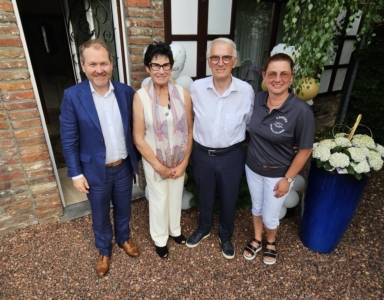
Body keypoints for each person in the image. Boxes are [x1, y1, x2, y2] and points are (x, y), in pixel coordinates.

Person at [60, 39, 140, 277]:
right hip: (95, 171)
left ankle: (123, 238)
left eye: (103, 63)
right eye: (93, 64)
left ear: (111, 64)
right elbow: (69, 138)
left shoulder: (126, 92)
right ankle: (104, 250)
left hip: (124, 166)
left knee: (125, 208)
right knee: (100, 214)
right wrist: (75, 173)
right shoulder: (73, 96)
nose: (99, 69)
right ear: (83, 66)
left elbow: (134, 129)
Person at [243, 53, 315, 265]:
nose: (278, 79)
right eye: (272, 74)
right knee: (256, 207)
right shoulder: (256, 100)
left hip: (278, 174)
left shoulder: (301, 111)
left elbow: (305, 150)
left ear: (291, 76)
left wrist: (289, 179)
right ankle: (257, 238)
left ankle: (271, 242)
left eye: (284, 74)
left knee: (271, 215)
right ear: (264, 76)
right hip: (253, 168)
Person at [186, 38, 255, 259]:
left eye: (226, 57)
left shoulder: (246, 91)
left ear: (234, 61)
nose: (220, 62)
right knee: (205, 195)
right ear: (209, 61)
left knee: (229, 197)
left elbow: (252, 123)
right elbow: (187, 120)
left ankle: (225, 235)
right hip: (202, 154)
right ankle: (204, 228)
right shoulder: (196, 88)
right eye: (215, 57)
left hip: (232, 155)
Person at [133, 42, 193, 259]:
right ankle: (160, 238)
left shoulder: (183, 94)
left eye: (165, 65)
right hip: (154, 162)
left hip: (179, 161)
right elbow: (138, 138)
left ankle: (174, 230)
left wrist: (184, 162)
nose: (161, 70)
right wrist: (159, 166)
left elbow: (189, 130)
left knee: (176, 196)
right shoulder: (141, 97)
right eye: (155, 66)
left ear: (171, 67)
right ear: (148, 68)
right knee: (158, 200)